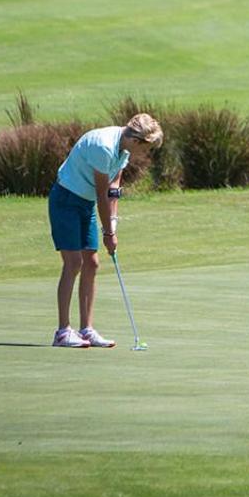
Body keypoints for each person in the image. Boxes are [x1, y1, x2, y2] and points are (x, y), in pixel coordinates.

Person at [49, 113, 163, 348]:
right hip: (66, 200)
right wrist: (108, 234)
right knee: (73, 263)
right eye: (147, 149)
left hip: (86, 203)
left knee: (92, 263)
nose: (147, 154)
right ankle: (62, 332)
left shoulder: (124, 150)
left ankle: (86, 330)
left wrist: (113, 224)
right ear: (136, 140)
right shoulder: (104, 147)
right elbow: (102, 193)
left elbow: (113, 188)